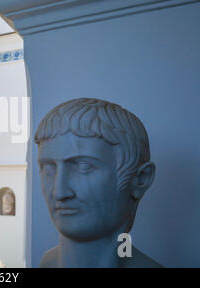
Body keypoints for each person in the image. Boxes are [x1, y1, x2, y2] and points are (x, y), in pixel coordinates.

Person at [35, 98, 162, 268]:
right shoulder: (45, 263)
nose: (59, 192)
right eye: (49, 167)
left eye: (83, 166)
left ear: (140, 179)